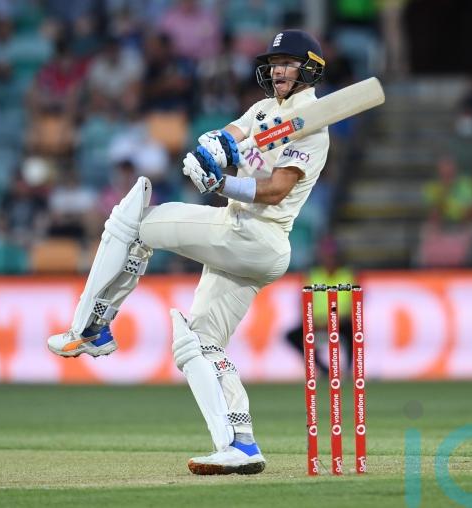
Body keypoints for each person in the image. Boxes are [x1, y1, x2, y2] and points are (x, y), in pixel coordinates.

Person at [47, 30, 329, 475]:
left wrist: (220, 182)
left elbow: (276, 190)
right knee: (198, 342)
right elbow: (234, 133)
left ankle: (91, 326)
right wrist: (213, 144)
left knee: (135, 221)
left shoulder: (314, 125)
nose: (278, 70)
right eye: (274, 62)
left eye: (289, 63)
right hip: (241, 239)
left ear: (309, 68)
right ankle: (240, 444)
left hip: (256, 234)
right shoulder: (263, 110)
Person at [285, 236, 355, 375]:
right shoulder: (313, 275)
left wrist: (334, 320)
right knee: (292, 336)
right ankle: (323, 369)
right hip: (316, 323)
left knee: (353, 332)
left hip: (340, 322)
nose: (329, 260)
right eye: (327, 256)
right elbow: (303, 301)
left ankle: (348, 371)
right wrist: (313, 321)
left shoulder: (347, 275)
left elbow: (353, 304)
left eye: (332, 256)